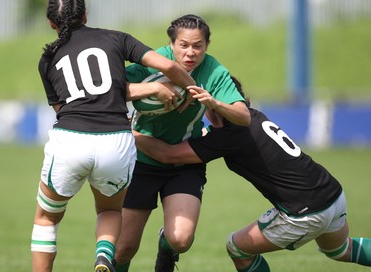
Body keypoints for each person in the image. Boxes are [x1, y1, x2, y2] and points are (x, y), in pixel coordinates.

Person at [132, 77, 371, 271]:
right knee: (341, 250)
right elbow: (212, 135)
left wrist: (130, 133)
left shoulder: (229, 136)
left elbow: (169, 155)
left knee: (237, 248)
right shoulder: (251, 115)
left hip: (305, 212)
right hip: (332, 193)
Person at [30, 1, 196, 272]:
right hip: (115, 140)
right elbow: (167, 66)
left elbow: (62, 110)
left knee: (47, 219)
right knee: (108, 211)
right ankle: (104, 255)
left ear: (51, 24)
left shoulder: (47, 58)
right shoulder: (116, 38)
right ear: (85, 14)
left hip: (71, 138)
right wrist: (190, 89)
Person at [115, 14, 251, 272]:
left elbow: (243, 116)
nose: (191, 53)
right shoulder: (153, 61)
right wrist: (153, 89)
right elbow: (113, 89)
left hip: (183, 163)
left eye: (198, 46)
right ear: (172, 43)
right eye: (183, 45)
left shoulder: (213, 71)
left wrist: (214, 102)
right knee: (123, 248)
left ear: (207, 46)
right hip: (139, 161)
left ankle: (165, 249)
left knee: (181, 239)